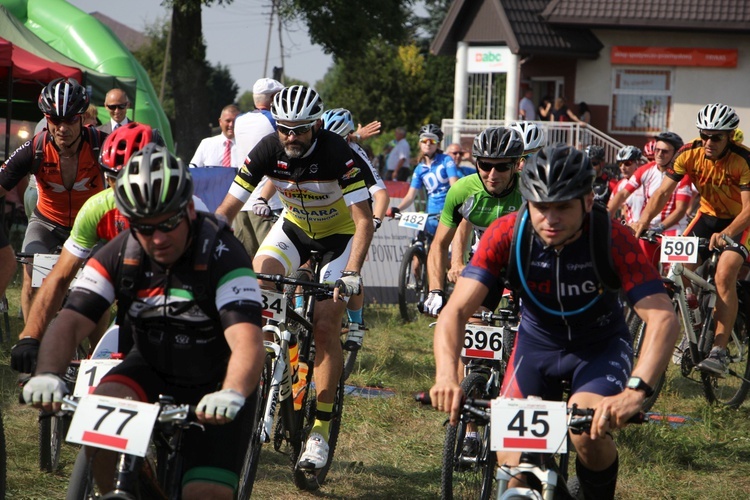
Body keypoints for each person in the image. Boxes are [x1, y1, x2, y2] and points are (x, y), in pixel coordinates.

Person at [430, 144, 678, 500]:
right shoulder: (506, 234)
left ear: (588, 201)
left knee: (586, 433)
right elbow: (454, 312)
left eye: (562, 206)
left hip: (599, 348)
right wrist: (445, 377)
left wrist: (637, 391)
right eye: (540, 206)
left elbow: (662, 317)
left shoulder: (611, 236)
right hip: (536, 346)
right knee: (514, 468)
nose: (550, 218)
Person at [22, 143, 265, 499]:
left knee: (205, 493)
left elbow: (247, 342)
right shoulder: (121, 251)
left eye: (167, 223)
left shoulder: (225, 255)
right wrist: (47, 372)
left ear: (189, 211)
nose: (158, 238)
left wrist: (232, 391)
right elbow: (71, 320)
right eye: (144, 228)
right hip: (149, 362)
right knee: (100, 424)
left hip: (217, 377)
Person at [215, 85, 373, 470]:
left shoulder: (339, 154)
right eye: (284, 127)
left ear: (316, 125)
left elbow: (364, 220)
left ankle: (319, 429)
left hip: (339, 240)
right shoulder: (269, 149)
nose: (290, 136)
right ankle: (262, 370)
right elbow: (228, 208)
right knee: (256, 286)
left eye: (300, 129)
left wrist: (351, 272)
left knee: (323, 325)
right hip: (293, 231)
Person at [11, 123, 160, 373]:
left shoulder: (194, 214)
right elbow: (60, 277)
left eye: (134, 179)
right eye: (112, 178)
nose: (122, 191)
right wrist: (31, 336)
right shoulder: (96, 207)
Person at [632, 103, 750, 376]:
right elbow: (662, 193)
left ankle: (719, 351)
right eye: (705, 134)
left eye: (717, 137)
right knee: (677, 271)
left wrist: (728, 233)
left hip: (740, 223)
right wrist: (643, 222)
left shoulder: (742, 160)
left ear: (730, 136)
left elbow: (747, 208)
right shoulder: (689, 153)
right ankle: (695, 326)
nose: (709, 141)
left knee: (724, 275)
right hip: (707, 218)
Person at [0, 77, 107, 323]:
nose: (62, 128)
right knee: (31, 271)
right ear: (46, 119)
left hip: (89, 225)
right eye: (54, 120)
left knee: (95, 284)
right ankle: (31, 341)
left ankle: (95, 357)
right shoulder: (35, 148)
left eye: (69, 119)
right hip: (47, 223)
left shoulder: (100, 145)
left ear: (82, 118)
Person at [423, 127, 524, 317]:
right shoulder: (462, 191)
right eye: (485, 165)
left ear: (517, 165)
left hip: (525, 262)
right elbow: (440, 244)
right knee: (470, 316)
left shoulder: (530, 191)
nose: (492, 175)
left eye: (502, 167)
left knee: (531, 322)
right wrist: (435, 291)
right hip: (486, 259)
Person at [321, 107, 389, 346]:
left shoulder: (356, 153)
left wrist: (376, 219)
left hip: (353, 217)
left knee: (352, 270)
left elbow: (381, 194)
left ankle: (357, 322)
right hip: (322, 216)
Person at [608, 133, 691, 267]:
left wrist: (660, 227)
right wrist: (607, 218)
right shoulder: (646, 170)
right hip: (650, 230)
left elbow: (681, 210)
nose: (659, 154)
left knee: (678, 276)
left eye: (664, 151)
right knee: (645, 269)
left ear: (675, 153)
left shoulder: (683, 175)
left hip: (675, 230)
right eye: (657, 150)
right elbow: (622, 194)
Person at [233, 78, 285, 257]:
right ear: (272, 99)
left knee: (246, 261)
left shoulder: (239, 120)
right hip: (266, 202)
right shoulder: (274, 120)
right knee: (271, 260)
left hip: (242, 201)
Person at [385, 124, 461, 237]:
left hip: (447, 214)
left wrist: (453, 209)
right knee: (418, 244)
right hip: (430, 215)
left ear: (438, 144)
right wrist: (397, 208)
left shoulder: (446, 160)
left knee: (443, 250)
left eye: (433, 141)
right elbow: (411, 196)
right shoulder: (419, 169)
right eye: (425, 140)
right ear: (420, 143)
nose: (428, 144)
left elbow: (454, 186)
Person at [610, 145, 645, 225]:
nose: (623, 167)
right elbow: (610, 208)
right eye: (620, 164)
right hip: (630, 230)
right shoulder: (621, 184)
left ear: (638, 162)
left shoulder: (647, 181)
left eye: (627, 163)